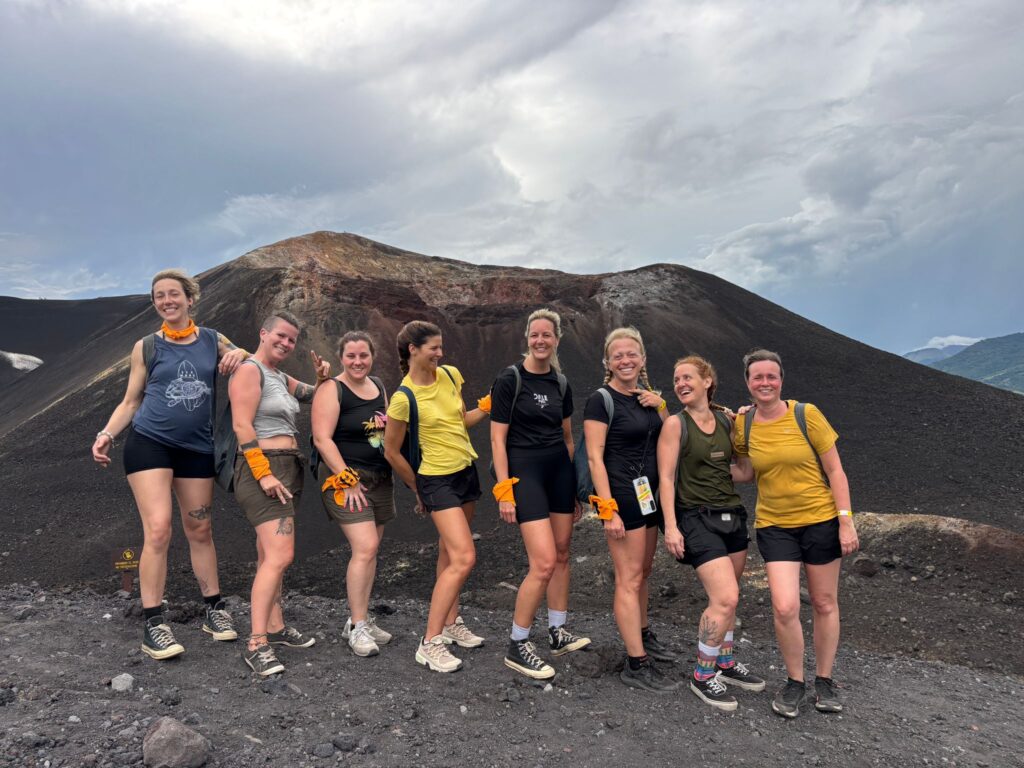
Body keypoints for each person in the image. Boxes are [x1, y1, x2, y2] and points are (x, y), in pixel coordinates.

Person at [92, 269, 248, 660]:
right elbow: (131, 401)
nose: (166, 301)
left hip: (197, 448)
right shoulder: (146, 346)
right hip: (150, 444)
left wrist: (238, 354)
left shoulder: (213, 340)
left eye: (173, 294)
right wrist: (107, 434)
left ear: (190, 298)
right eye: (159, 296)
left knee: (200, 527)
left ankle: (214, 610)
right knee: (159, 529)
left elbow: (245, 355)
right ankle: (153, 622)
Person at [732, 349, 859, 718]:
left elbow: (835, 470)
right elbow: (743, 469)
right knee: (785, 606)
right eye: (758, 377)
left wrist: (845, 520)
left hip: (820, 520)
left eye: (771, 376)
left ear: (781, 380)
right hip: (774, 525)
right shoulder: (746, 425)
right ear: (748, 383)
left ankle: (824, 679)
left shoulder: (808, 414)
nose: (765, 383)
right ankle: (794, 681)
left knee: (823, 602)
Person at [657, 356, 766, 711]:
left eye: (687, 377)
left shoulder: (725, 421)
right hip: (695, 518)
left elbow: (745, 472)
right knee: (725, 598)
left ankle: (725, 662)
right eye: (676, 380)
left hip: (732, 516)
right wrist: (670, 527)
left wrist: (746, 425)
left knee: (731, 599)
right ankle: (703, 675)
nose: (680, 384)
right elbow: (666, 479)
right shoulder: (676, 425)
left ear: (707, 381)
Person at [488, 309, 590, 680]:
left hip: (558, 473)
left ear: (557, 339)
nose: (541, 340)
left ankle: (558, 632)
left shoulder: (561, 383)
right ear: (527, 338)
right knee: (544, 561)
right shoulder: (510, 379)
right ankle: (518, 643)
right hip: (524, 473)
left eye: (547, 335)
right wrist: (504, 491)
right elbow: (497, 439)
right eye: (535, 335)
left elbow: (567, 436)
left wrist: (575, 486)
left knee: (563, 554)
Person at [383, 320, 489, 673]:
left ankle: (450, 622)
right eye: (434, 348)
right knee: (464, 556)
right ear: (413, 350)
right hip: (435, 479)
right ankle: (430, 642)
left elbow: (460, 421)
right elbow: (392, 451)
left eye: (441, 348)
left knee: (449, 553)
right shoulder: (403, 398)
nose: (441, 354)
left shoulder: (450, 376)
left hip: (465, 471)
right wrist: (418, 487)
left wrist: (487, 408)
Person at [230, 310, 330, 677]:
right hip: (264, 466)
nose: (287, 343)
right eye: (281, 336)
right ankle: (257, 643)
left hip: (288, 464)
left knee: (267, 554)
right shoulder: (249, 370)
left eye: (292, 340)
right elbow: (241, 423)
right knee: (280, 554)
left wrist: (322, 377)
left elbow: (315, 395)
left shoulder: (279, 376)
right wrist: (263, 473)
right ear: (263, 333)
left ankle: (275, 625)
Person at [583, 327, 676, 692]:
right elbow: (594, 457)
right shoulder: (601, 400)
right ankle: (636, 664)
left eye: (631, 354)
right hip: (622, 498)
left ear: (643, 358)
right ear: (607, 362)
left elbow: (672, 439)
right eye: (617, 356)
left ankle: (643, 632)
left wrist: (663, 405)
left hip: (647, 498)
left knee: (644, 571)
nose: (625, 360)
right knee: (629, 577)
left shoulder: (648, 398)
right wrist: (608, 511)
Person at [311, 331, 395, 657]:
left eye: (363, 355)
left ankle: (358, 619)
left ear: (372, 356)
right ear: (342, 357)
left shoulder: (378, 386)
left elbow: (382, 433)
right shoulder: (332, 388)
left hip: (379, 478)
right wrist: (348, 479)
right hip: (345, 479)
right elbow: (322, 439)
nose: (358, 362)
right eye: (351, 356)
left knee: (371, 551)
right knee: (366, 545)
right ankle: (358, 627)